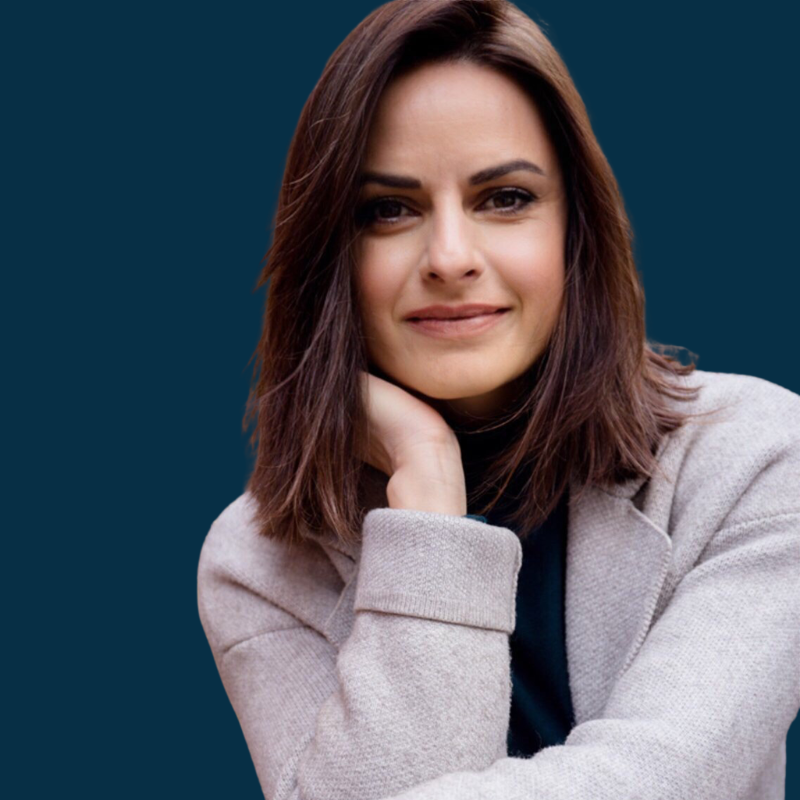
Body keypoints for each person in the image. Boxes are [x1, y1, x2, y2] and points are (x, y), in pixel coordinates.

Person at [196, 1, 800, 798]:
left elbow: (660, 779)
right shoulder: (260, 559)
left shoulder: (756, 460)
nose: (449, 257)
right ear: (331, 258)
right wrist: (427, 491)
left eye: (505, 198)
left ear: (574, 232)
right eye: (389, 210)